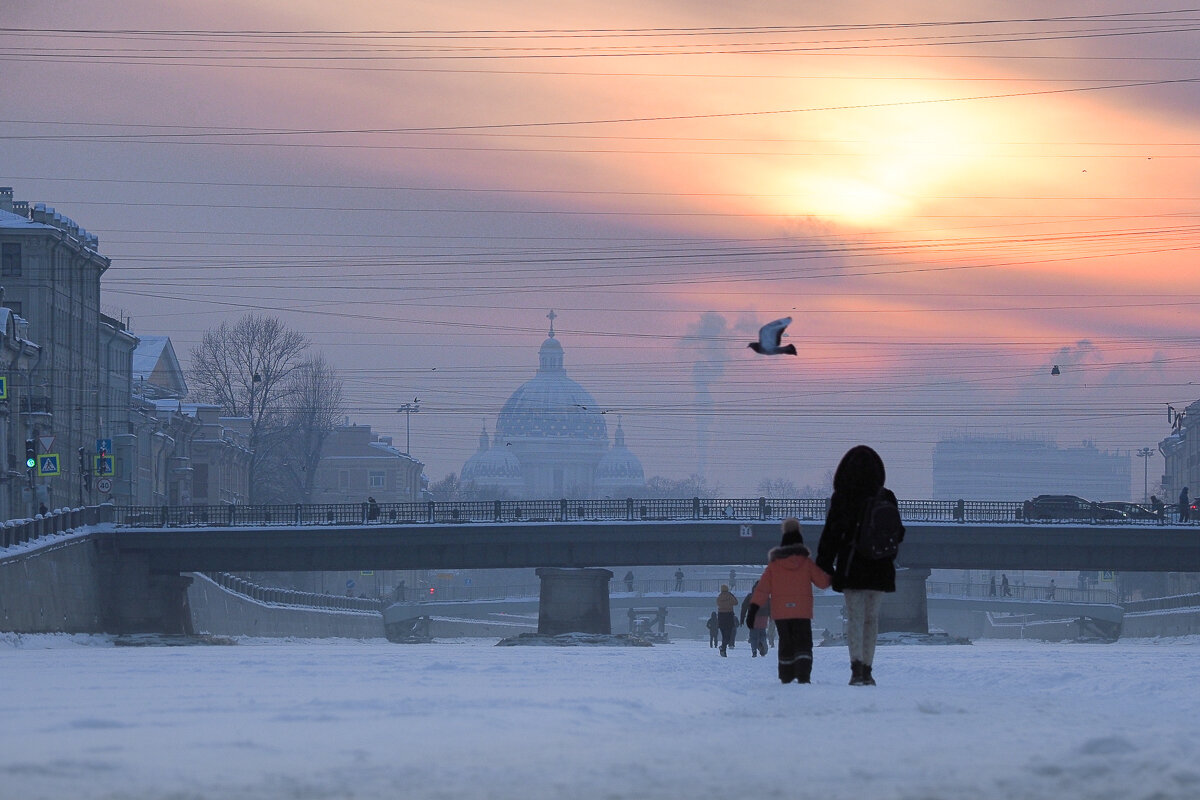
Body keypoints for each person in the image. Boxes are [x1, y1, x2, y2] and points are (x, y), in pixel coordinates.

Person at [816, 445, 904, 687]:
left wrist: (824, 562)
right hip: (879, 568)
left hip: (852, 566)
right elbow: (899, 533)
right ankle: (868, 669)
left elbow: (831, 533)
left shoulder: (842, 497)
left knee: (855, 617)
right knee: (872, 619)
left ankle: (856, 669)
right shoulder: (886, 496)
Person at [746, 519, 830, 683]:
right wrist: (833, 574)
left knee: (786, 641)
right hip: (802, 612)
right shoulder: (806, 563)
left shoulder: (774, 565)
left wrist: (753, 610)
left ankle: (786, 674)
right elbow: (823, 582)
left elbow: (762, 590)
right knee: (803, 642)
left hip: (781, 613)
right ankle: (803, 675)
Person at [740, 581, 769, 657]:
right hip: (763, 618)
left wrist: (742, 618)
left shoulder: (750, 596)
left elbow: (744, 607)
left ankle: (754, 651)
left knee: (753, 636)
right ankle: (762, 642)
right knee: (762, 634)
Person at [715, 584, 738, 656]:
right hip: (729, 616)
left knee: (724, 634)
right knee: (728, 635)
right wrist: (732, 595)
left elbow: (718, 604)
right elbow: (736, 603)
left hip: (721, 616)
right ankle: (723, 647)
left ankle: (723, 649)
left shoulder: (719, 597)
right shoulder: (730, 596)